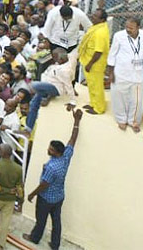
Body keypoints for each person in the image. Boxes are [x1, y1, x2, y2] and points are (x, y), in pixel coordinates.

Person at [26, 107, 82, 250]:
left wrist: (33, 194)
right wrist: (76, 121)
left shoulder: (51, 167)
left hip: (46, 198)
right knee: (56, 221)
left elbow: (44, 184)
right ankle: (55, 244)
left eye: (50, 149)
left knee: (41, 220)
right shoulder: (66, 155)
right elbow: (73, 138)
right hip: (59, 196)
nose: (48, 150)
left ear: (56, 153)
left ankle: (35, 238)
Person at [106, 16, 143, 132]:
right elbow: (112, 55)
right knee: (119, 98)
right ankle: (121, 119)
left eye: (131, 28)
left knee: (138, 100)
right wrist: (111, 73)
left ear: (138, 27)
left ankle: (133, 121)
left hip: (138, 75)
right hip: (121, 73)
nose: (128, 30)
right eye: (126, 27)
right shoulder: (119, 36)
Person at [77, 8, 110, 115]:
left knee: (97, 86)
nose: (92, 17)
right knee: (91, 85)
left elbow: (98, 52)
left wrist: (90, 64)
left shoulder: (100, 32)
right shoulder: (96, 27)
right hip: (88, 61)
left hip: (94, 64)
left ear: (102, 20)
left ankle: (99, 108)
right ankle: (93, 103)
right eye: (93, 14)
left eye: (95, 16)